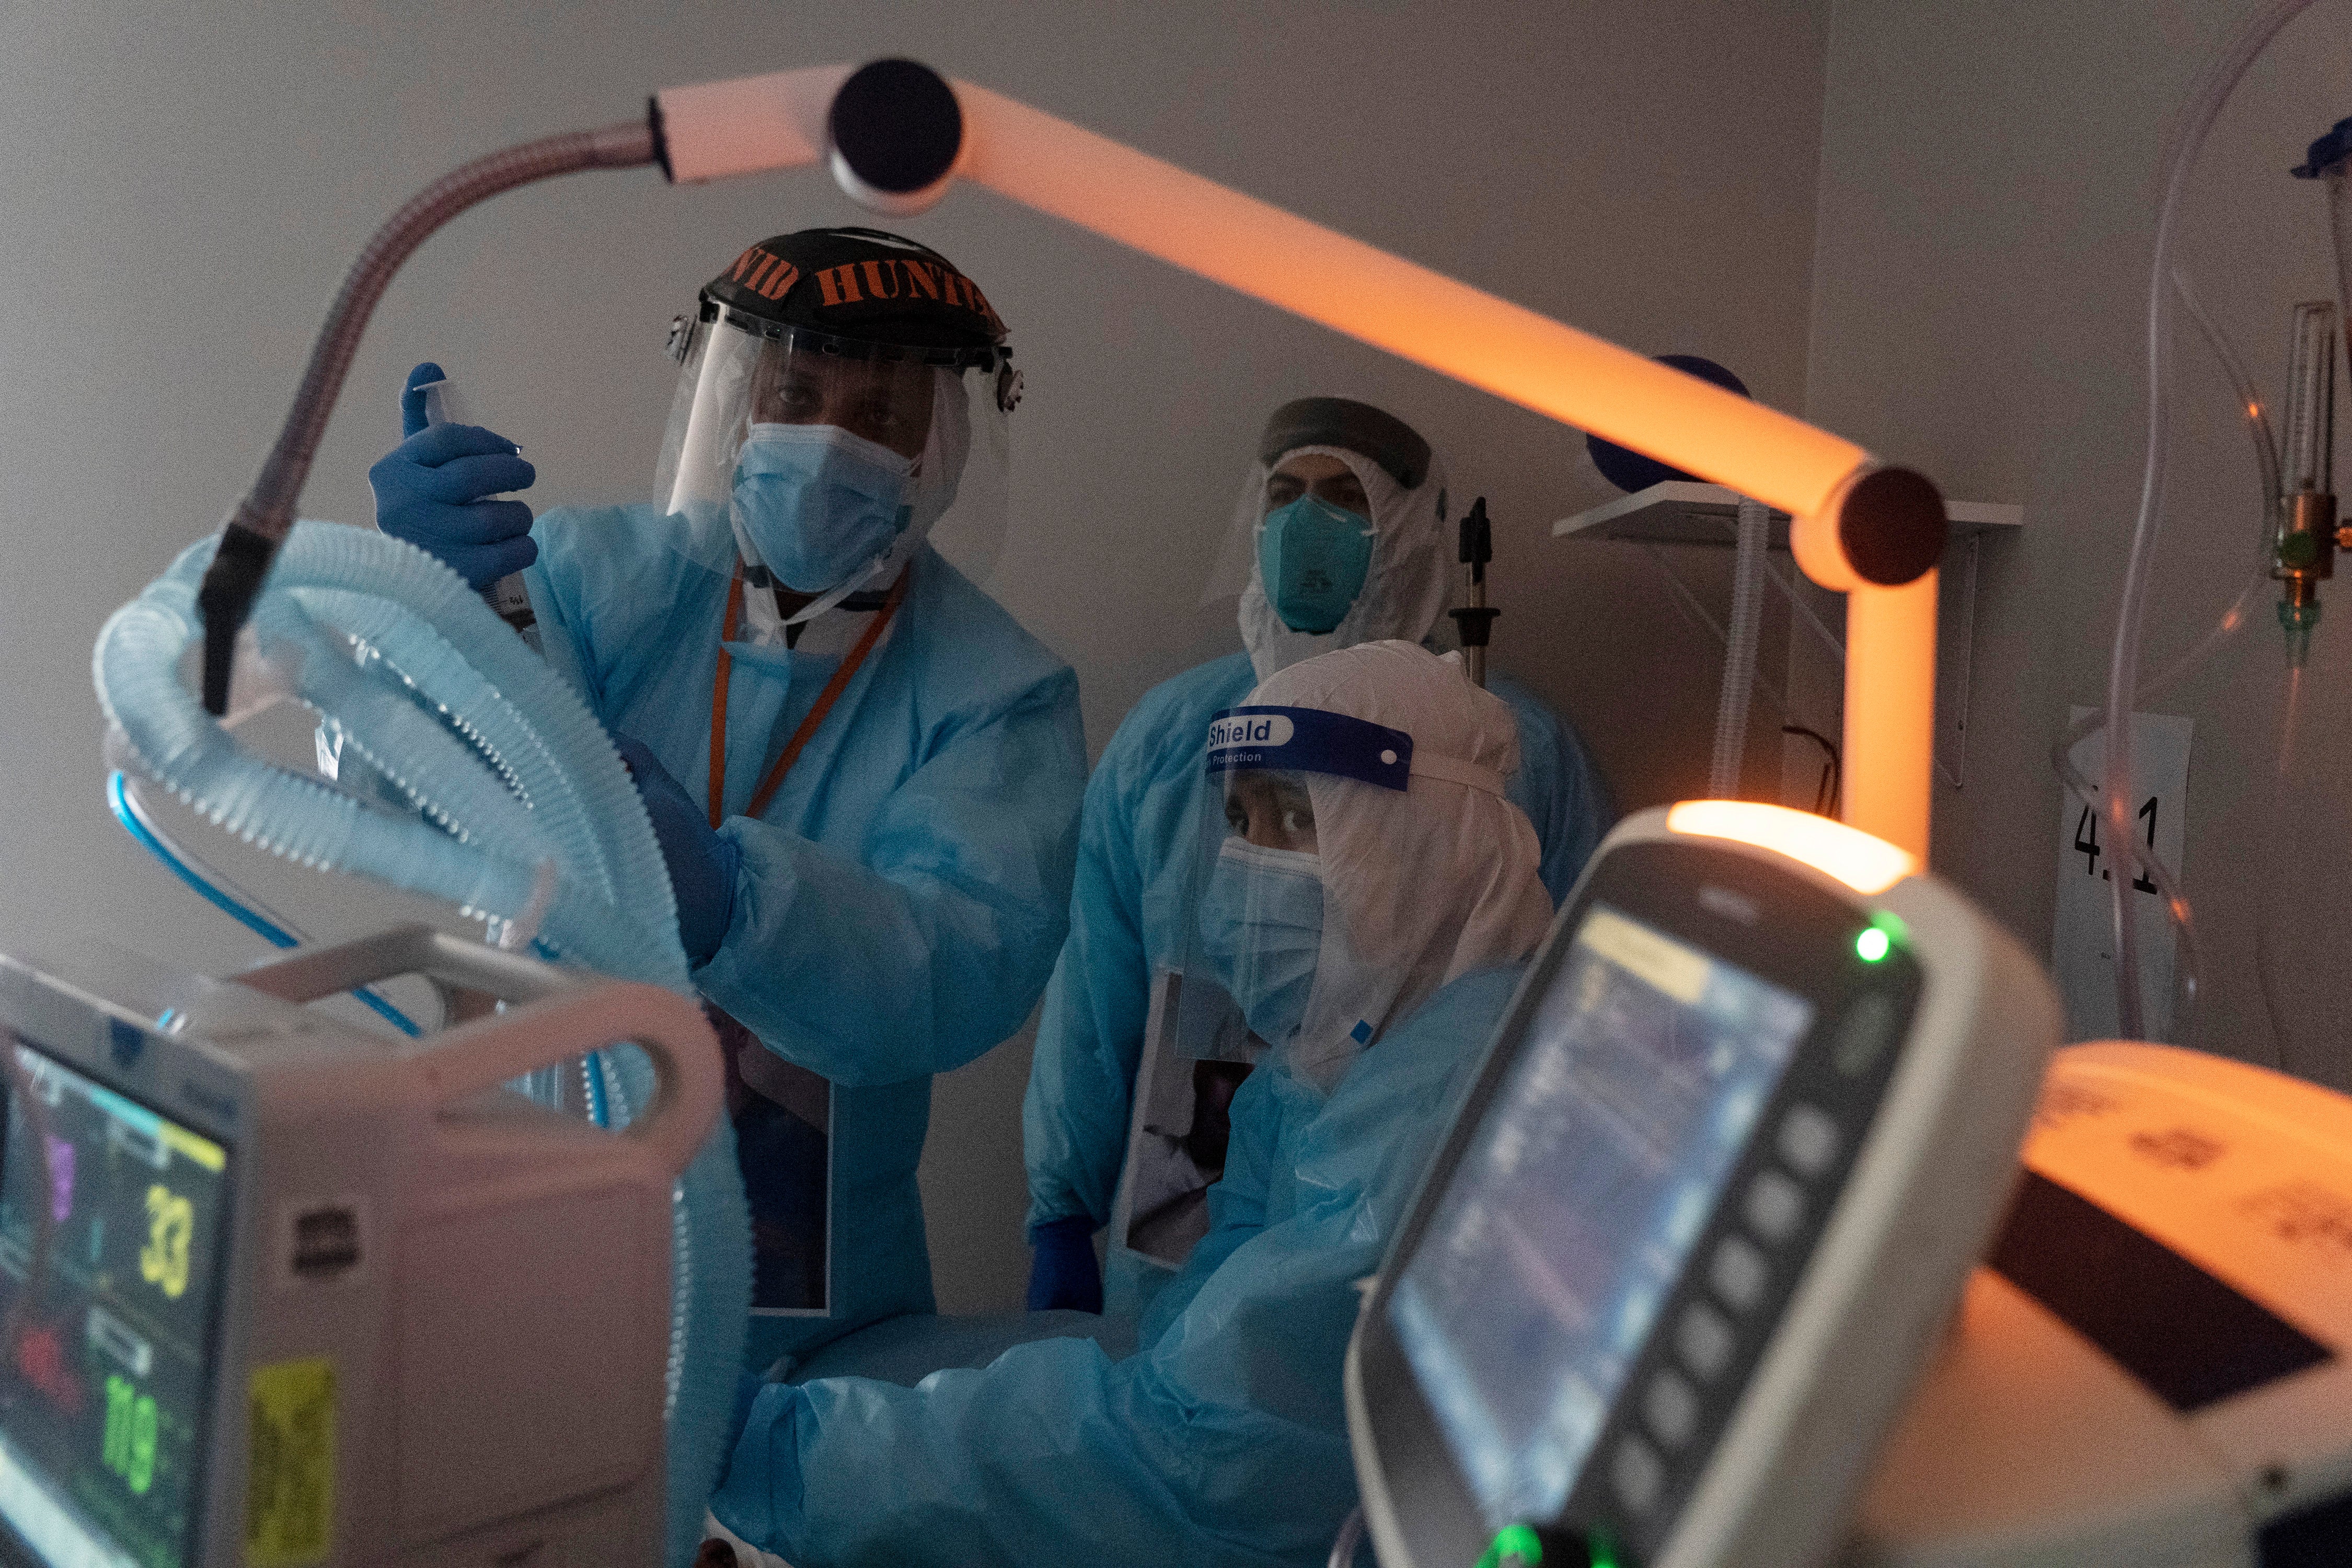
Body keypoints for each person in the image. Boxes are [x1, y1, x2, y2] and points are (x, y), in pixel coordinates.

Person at [366, 227, 1088, 1371]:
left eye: (882, 414)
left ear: (944, 445)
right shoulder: (588, 583)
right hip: (543, 1233)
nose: (830, 441)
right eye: (797, 393)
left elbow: (963, 966)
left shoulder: (997, 693)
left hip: (816, 1308)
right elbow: (402, 807)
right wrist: (420, 629)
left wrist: (739, 905)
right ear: (738, 405)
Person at [703, 638, 1555, 1568]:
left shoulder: (1447, 1107)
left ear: (1421, 833)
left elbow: (1208, 1459)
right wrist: (1062, 1206)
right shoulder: (1325, 1074)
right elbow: (1206, 1344)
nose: (1248, 865)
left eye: (1294, 821)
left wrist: (794, 1457)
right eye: (1238, 821)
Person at [1021, 397, 1612, 1315]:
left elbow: (1575, 1000)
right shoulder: (1174, 738)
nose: (1307, 526)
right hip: (1188, 1179)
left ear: (1413, 530)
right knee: (1183, 1392)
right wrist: (1063, 1206)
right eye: (1285, 495)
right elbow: (1100, 987)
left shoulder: (1494, 747)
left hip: (1411, 1186)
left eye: (1345, 497)